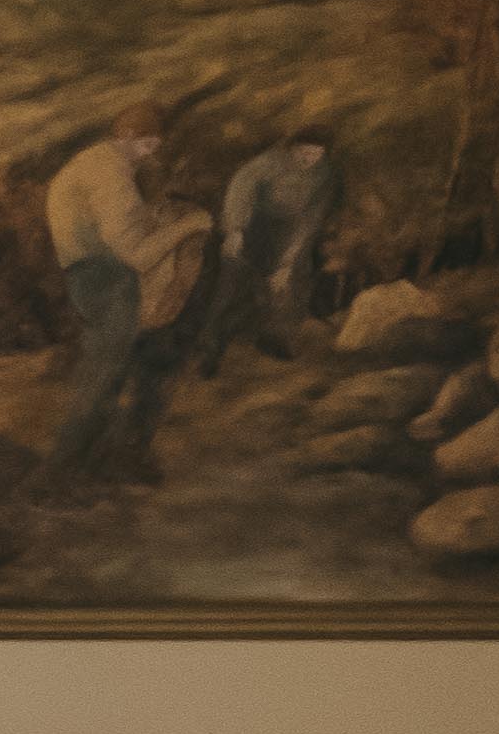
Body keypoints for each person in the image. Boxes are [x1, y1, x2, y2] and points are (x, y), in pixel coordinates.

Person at [40, 103, 205, 483]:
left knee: (152, 360)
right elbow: (138, 255)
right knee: (105, 375)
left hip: (92, 274)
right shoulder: (110, 175)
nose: (153, 153)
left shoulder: (93, 162)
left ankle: (124, 458)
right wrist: (189, 226)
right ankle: (59, 475)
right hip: (106, 279)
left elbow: (123, 228)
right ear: (127, 137)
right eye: (148, 145)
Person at [219, 129, 345, 356]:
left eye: (316, 154)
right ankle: (214, 342)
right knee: (236, 276)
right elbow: (241, 188)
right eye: (304, 153)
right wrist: (236, 229)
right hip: (257, 223)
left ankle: (277, 338)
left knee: (292, 279)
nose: (310, 159)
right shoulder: (269, 162)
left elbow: (312, 218)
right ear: (293, 149)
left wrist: (289, 260)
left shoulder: (325, 174)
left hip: (294, 229)